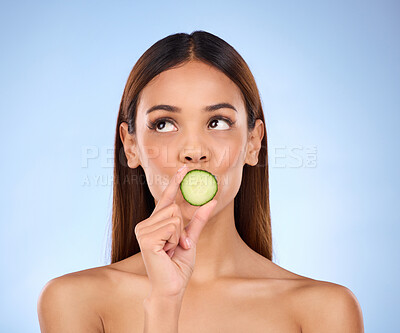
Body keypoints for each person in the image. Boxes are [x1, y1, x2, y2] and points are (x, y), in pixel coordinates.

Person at [37, 30, 364, 332]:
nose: (194, 151)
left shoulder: (326, 309)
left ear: (253, 142)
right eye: (164, 124)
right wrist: (165, 302)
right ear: (130, 146)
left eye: (218, 121)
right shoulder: (73, 301)